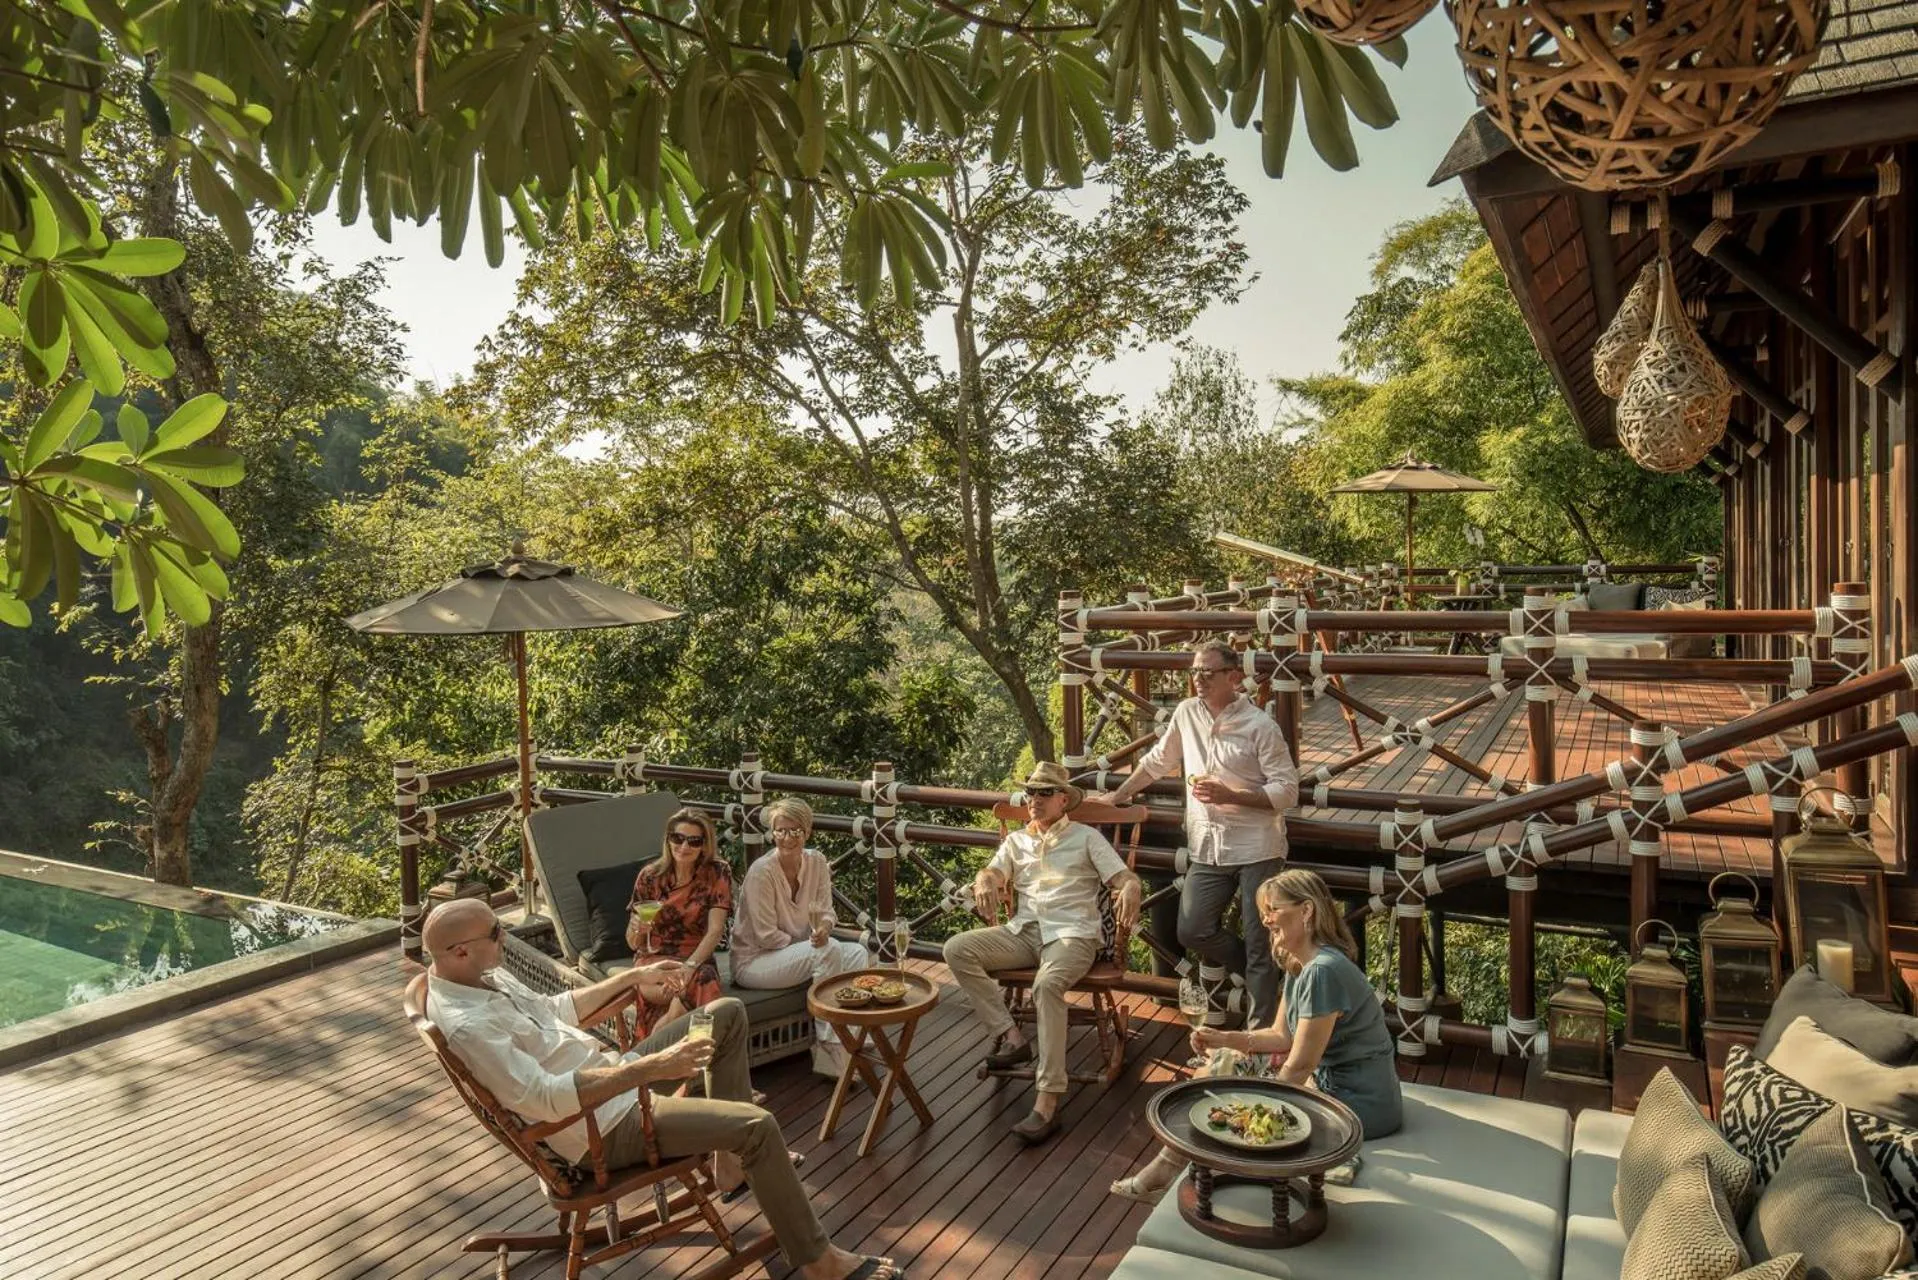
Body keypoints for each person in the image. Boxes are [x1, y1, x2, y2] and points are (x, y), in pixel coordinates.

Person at [422, 899, 905, 1280]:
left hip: (616, 1078)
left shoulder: (483, 976)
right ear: (460, 951)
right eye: (495, 933)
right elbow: (546, 1098)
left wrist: (633, 977)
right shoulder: (468, 1026)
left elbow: (557, 1010)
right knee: (758, 1126)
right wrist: (652, 1068)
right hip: (603, 1126)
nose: (504, 936)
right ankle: (820, 1262)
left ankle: (728, 1167)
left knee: (725, 1014)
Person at [1108, 868, 1401, 1203]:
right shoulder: (1301, 963)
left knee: (1225, 1091)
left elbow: (1299, 1066)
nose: (1265, 920)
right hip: (1330, 1085)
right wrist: (1223, 1040)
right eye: (1263, 912)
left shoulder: (1323, 971)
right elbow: (1280, 1035)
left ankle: (1182, 1175)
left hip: (1357, 1103)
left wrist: (1254, 1110)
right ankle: (1172, 1170)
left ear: (1306, 911)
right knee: (1221, 1064)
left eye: (1273, 910)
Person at [1093, 637, 1298, 1027]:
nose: (1198, 679)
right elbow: (1157, 761)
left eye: (1207, 672)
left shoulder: (1261, 726)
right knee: (1192, 929)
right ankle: (1271, 975)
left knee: (1260, 941)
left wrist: (1232, 795)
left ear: (1233, 677)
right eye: (1194, 672)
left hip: (1258, 847)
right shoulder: (1187, 713)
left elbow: (1287, 791)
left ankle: (1261, 1042)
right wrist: (1117, 797)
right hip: (1207, 846)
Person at [944, 761, 1143, 1146]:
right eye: (1030, 793)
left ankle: (1048, 1101)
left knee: (1047, 985)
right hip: (1025, 932)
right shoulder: (1016, 842)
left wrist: (1132, 887)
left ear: (1063, 799)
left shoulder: (1086, 837)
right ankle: (1012, 1037)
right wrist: (985, 879)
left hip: (1073, 935)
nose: (1034, 799)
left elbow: (1124, 877)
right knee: (957, 949)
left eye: (1044, 793)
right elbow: (993, 873)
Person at [732, 798, 871, 1079]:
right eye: (780, 830)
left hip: (798, 951)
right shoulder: (761, 872)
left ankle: (852, 1033)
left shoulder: (816, 861)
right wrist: (811, 945)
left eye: (795, 830)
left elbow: (827, 911)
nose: (787, 838)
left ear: (807, 832)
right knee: (827, 951)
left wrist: (825, 929)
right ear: (772, 833)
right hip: (755, 961)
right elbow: (766, 936)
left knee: (858, 953)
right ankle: (829, 1044)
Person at [626, 807, 731, 1037]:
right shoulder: (649, 877)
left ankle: (661, 1034)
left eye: (694, 841)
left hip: (696, 957)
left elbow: (715, 931)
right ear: (668, 839)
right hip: (654, 958)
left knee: (703, 978)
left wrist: (689, 967)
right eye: (678, 838)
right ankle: (701, 1049)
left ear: (704, 845)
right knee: (702, 986)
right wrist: (637, 930)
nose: (684, 847)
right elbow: (633, 943)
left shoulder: (717, 872)